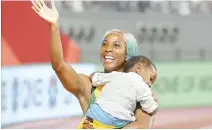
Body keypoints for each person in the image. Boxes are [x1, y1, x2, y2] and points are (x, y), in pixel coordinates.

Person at [30, 0, 158, 129]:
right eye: (104, 44)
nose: (108, 49)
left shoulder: (140, 93)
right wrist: (54, 26)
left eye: (116, 45)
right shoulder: (89, 86)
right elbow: (59, 66)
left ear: (128, 54)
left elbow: (142, 127)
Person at [84, 55, 158, 128]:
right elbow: (151, 109)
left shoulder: (116, 75)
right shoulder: (142, 85)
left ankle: (90, 124)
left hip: (96, 114)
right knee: (134, 119)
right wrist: (156, 106)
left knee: (91, 114)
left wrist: (95, 75)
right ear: (139, 68)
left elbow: (93, 77)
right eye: (151, 79)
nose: (150, 85)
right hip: (117, 120)